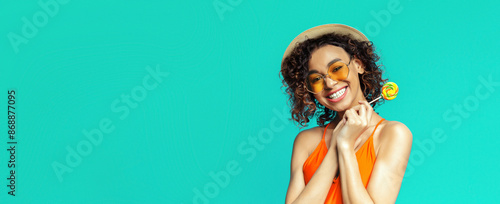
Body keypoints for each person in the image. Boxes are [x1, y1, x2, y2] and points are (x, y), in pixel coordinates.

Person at [280, 24, 413, 204]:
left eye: (336, 69)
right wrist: (335, 146)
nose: (329, 83)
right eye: (316, 79)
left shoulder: (393, 134)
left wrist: (345, 145)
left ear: (359, 65)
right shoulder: (306, 141)